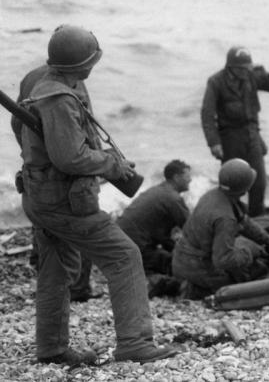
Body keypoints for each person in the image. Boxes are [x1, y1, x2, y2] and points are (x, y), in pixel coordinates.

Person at [17, 24, 177, 365]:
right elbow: (70, 157)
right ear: (83, 65)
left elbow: (22, 129)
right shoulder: (59, 98)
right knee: (124, 256)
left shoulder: (37, 79)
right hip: (64, 202)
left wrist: (37, 163)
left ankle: (51, 347)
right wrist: (113, 165)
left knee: (56, 266)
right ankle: (134, 343)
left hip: (39, 192)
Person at [12, 65, 100, 303]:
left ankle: (47, 283)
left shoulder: (32, 76)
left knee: (46, 230)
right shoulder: (73, 81)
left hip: (39, 173)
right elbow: (86, 128)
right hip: (70, 173)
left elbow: (16, 122)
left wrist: (33, 154)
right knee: (86, 227)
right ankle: (79, 288)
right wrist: (101, 163)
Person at [172, 158, 269, 299]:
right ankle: (194, 289)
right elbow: (223, 260)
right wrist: (250, 251)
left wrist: (267, 240)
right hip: (196, 269)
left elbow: (244, 220)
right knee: (252, 275)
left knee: (243, 250)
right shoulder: (225, 219)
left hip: (182, 260)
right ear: (244, 190)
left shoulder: (214, 195)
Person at [201, 46, 269, 217]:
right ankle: (228, 219)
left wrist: (264, 73)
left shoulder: (251, 76)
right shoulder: (216, 82)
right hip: (229, 137)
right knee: (232, 183)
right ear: (231, 67)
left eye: (248, 68)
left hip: (252, 134)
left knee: (258, 182)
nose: (246, 72)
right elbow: (207, 115)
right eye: (242, 69)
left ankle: (257, 219)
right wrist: (214, 143)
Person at [117, 159, 192, 297]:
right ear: (176, 177)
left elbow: (160, 233)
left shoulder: (159, 190)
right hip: (133, 248)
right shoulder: (172, 198)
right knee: (174, 264)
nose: (190, 180)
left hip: (121, 242)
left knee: (169, 254)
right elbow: (192, 229)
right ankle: (153, 281)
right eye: (187, 176)